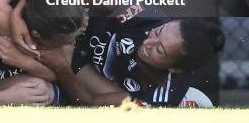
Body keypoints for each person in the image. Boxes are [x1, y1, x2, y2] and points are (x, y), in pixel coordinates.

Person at [39, 13, 225, 107]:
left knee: (35, 90)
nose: (147, 42)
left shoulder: (155, 97)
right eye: (158, 32)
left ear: (174, 69)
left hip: (76, 67)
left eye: (159, 50)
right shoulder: (148, 17)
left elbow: (92, 101)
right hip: (72, 32)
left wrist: (62, 64)